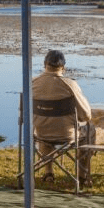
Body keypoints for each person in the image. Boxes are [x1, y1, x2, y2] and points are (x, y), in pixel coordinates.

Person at [31, 49, 94, 186]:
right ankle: (82, 175)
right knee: (90, 130)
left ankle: (48, 172)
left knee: (44, 127)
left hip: (41, 133)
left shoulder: (32, 83)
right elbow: (86, 116)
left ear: (44, 64)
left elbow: (24, 114)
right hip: (67, 135)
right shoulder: (70, 85)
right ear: (63, 67)